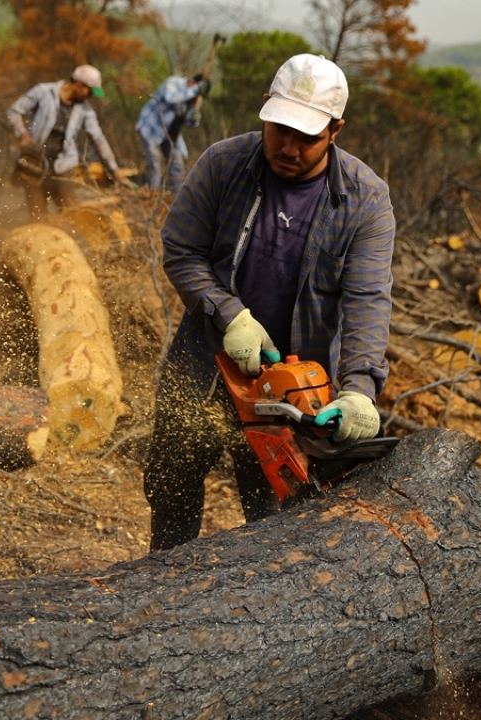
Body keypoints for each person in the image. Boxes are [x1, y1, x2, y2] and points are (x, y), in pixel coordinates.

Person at [143, 53, 395, 551]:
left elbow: (367, 299)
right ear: (265, 109)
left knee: (279, 515)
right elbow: (182, 250)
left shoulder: (365, 200)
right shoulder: (223, 165)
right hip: (203, 360)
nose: (289, 148)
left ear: (336, 130)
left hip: (291, 389)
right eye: (280, 130)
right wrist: (228, 314)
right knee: (171, 487)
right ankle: (159, 581)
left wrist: (360, 388)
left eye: (307, 137)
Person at [6, 64, 125, 220]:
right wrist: (23, 135)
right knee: (38, 216)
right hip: (34, 162)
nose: (90, 96)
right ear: (79, 85)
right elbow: (14, 111)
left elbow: (97, 138)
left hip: (63, 165)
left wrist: (115, 171)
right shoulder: (43, 92)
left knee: (71, 214)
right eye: (90, 92)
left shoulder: (85, 110)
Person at [135, 73, 211, 193]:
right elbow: (170, 98)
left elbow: (188, 122)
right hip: (151, 128)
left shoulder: (194, 99)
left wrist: (194, 120)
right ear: (192, 83)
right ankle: (152, 195)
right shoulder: (174, 82)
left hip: (171, 135)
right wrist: (195, 91)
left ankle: (180, 197)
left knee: (177, 167)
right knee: (155, 164)